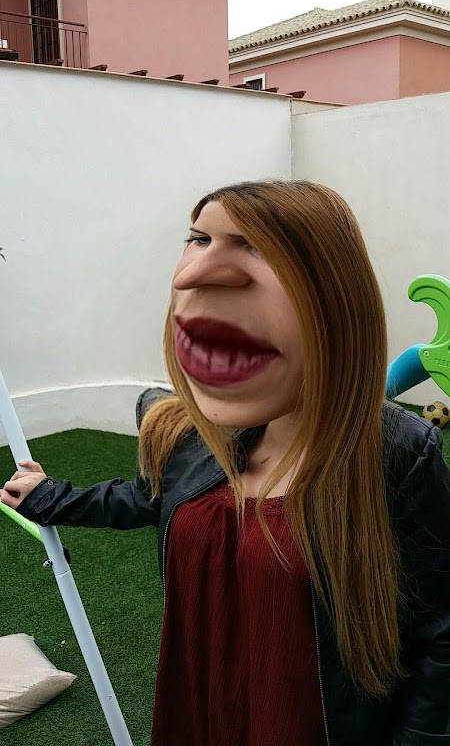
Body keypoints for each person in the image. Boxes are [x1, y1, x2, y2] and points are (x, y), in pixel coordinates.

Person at [2, 180, 450, 746]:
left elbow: (440, 636)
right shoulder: (190, 431)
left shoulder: (397, 453)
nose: (198, 273)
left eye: (260, 247)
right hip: (201, 702)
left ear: (336, 295)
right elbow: (148, 497)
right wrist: (53, 498)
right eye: (198, 239)